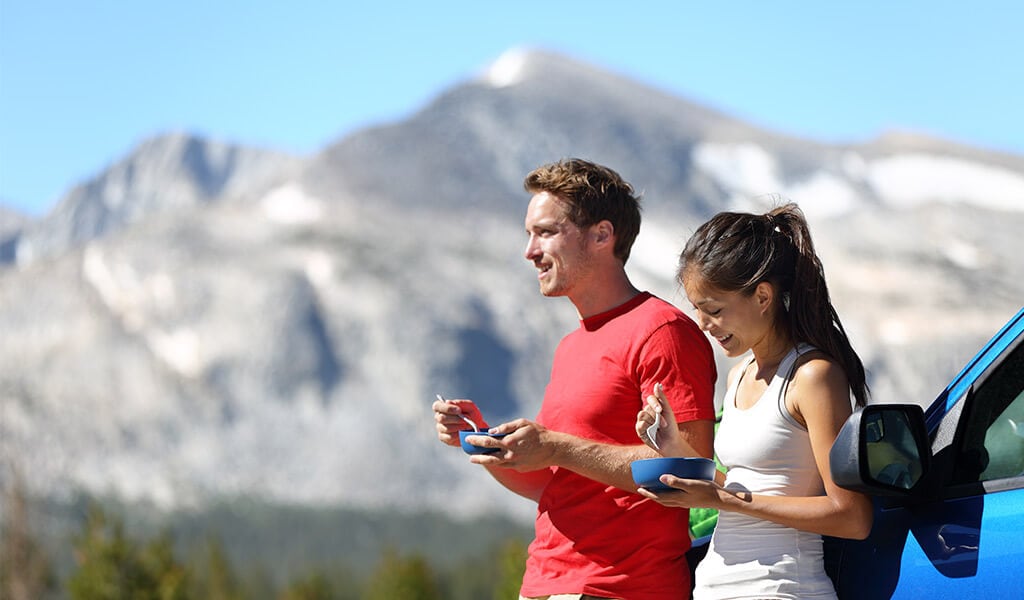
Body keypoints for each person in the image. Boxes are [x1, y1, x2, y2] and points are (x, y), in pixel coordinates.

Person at [433, 158, 717, 600]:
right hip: (545, 585)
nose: (529, 251)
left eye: (545, 232)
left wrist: (556, 446)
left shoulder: (663, 331)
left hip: (621, 589)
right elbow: (554, 483)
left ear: (602, 235)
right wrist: (487, 444)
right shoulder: (571, 345)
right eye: (529, 234)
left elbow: (690, 473)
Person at [635, 202, 874, 599]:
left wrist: (723, 498)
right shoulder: (738, 375)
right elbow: (751, 487)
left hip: (783, 587)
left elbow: (852, 517)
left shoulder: (812, 376)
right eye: (696, 310)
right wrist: (674, 447)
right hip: (717, 586)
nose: (703, 325)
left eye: (713, 310)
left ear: (763, 296)